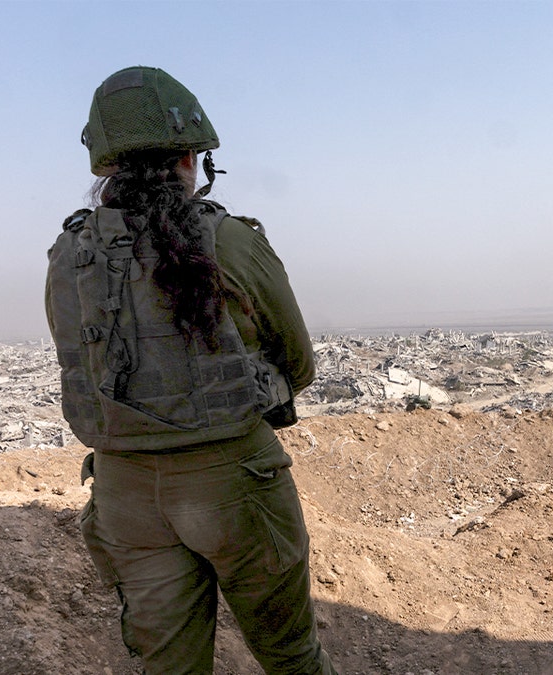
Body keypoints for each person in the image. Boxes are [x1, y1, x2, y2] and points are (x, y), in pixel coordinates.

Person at [45, 65, 337, 675]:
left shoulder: (69, 255)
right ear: (190, 158)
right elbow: (299, 363)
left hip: (125, 493)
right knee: (291, 657)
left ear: (107, 167)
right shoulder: (228, 240)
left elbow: (80, 364)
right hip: (234, 483)